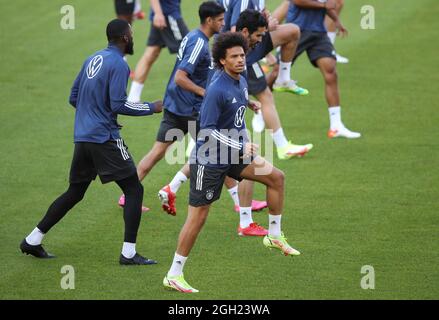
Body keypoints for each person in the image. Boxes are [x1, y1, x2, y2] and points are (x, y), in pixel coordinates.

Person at [163, 32, 300, 293]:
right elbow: (206, 130)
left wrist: (248, 103)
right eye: (234, 56)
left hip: (233, 155)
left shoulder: (240, 79)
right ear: (222, 61)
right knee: (198, 218)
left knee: (276, 178)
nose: (240, 60)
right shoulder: (216, 89)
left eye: (242, 55)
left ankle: (273, 236)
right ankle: (174, 273)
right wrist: (240, 145)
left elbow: (234, 102)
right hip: (210, 160)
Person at [20, 19, 163, 265]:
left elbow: (73, 96)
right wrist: (152, 107)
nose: (133, 37)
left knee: (75, 191)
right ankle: (128, 254)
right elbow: (119, 104)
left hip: (84, 136)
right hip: (104, 138)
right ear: (125, 38)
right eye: (132, 33)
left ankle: (32, 240)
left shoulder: (92, 58)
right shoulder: (118, 64)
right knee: (133, 189)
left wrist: (91, 115)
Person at [119, 1, 227, 215]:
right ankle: (243, 210)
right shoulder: (199, 43)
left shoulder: (192, 36)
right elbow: (180, 77)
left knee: (158, 152)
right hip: (191, 110)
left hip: (174, 106)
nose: (223, 24)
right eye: (221, 20)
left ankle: (127, 196)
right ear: (209, 20)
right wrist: (205, 93)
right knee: (217, 152)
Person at [287, 0, 361, 138]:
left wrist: (336, 20)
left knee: (331, 72)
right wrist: (323, 6)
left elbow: (325, 3)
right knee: (278, 73)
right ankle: (262, 110)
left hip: (318, 32)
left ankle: (336, 125)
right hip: (297, 29)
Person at [127, 0, 189, 102]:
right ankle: (193, 96)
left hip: (165, 13)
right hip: (167, 15)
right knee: (191, 49)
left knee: (152, 52)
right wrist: (158, 13)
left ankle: (132, 98)